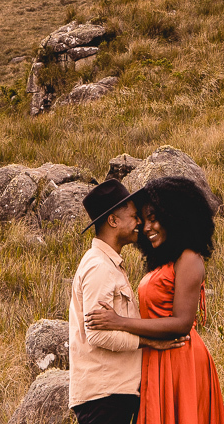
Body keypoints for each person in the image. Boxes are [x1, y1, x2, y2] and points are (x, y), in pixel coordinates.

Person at [86, 176, 224, 424]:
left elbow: (182, 323)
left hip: (180, 359)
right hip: (157, 356)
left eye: (153, 218)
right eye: (144, 219)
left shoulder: (190, 257)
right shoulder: (165, 260)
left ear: (174, 216)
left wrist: (119, 322)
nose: (146, 226)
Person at [69, 179, 187, 424]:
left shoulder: (109, 264)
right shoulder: (98, 266)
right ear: (113, 221)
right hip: (104, 395)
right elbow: (98, 334)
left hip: (113, 393)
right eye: (134, 216)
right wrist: (149, 341)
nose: (139, 223)